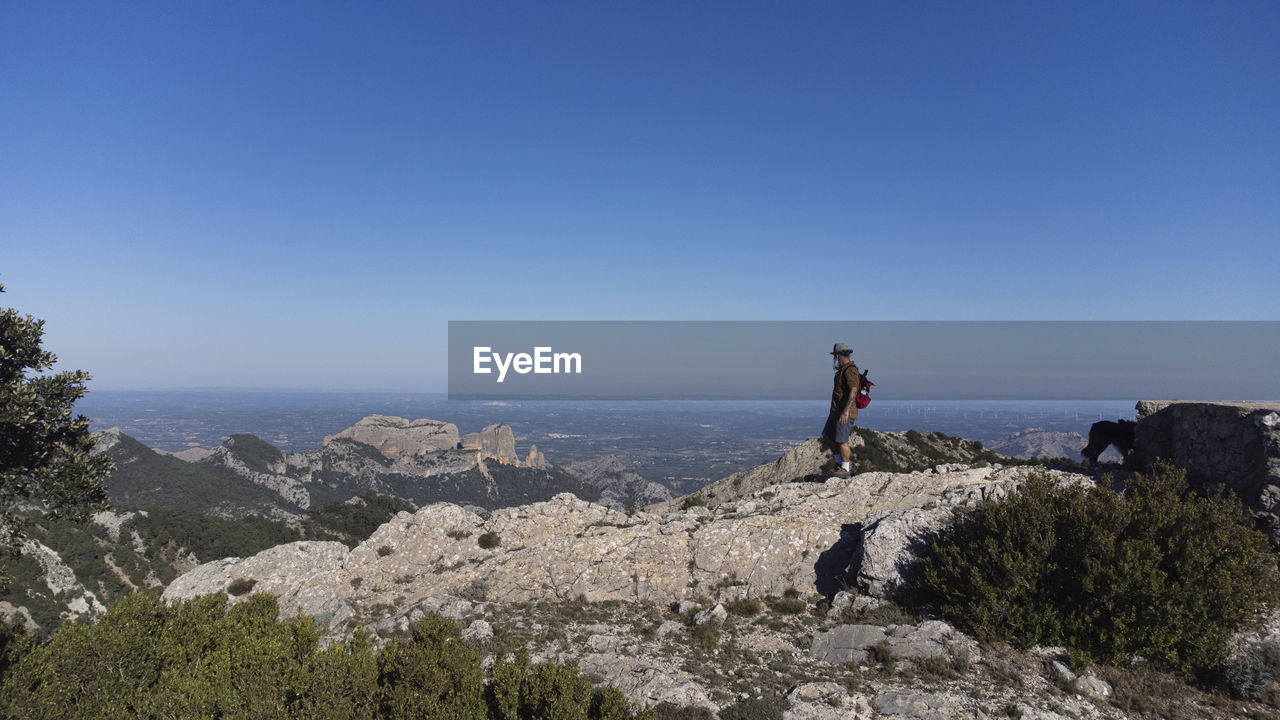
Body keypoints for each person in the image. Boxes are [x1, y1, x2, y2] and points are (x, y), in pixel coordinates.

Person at [821, 342, 861, 478]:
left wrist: (845, 411)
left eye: (835, 357)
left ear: (837, 356)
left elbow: (853, 390)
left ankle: (845, 469)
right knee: (829, 435)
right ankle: (839, 465)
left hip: (844, 413)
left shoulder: (850, 370)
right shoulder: (843, 371)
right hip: (836, 412)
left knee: (842, 440)